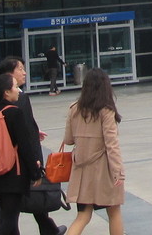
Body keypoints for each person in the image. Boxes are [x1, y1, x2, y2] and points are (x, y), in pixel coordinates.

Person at [0, 57, 67, 235]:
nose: (24, 72)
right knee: (13, 207)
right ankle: (48, 230)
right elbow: (24, 133)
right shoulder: (19, 97)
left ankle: (48, 229)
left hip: (2, 159)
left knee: (9, 204)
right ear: (9, 74)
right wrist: (36, 162)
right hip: (19, 160)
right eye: (20, 69)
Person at [0, 73, 44, 235]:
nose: (18, 91)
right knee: (9, 220)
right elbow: (25, 146)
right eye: (15, 87)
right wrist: (35, 173)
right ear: (6, 92)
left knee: (10, 224)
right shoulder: (15, 113)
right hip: (13, 175)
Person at [63, 68, 125, 235]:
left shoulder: (74, 108)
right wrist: (118, 171)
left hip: (81, 171)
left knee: (83, 215)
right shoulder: (106, 110)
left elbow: (68, 140)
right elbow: (112, 144)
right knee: (114, 212)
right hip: (103, 170)